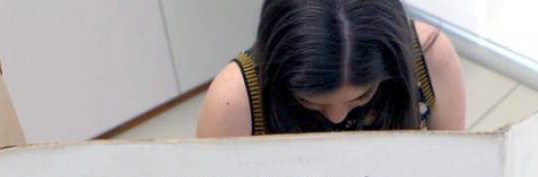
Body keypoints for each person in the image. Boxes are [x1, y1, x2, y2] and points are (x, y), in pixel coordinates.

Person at [197, 0, 466, 138]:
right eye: (311, 101)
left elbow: (452, 173)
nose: (337, 118)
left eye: (362, 96)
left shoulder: (428, 57)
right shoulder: (235, 100)